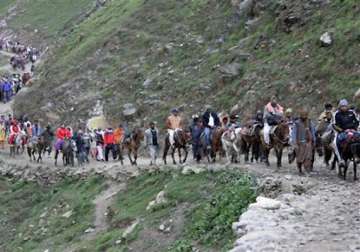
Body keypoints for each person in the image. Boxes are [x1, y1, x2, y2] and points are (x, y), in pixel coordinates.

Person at [334, 99, 360, 165]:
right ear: (339, 107)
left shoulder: (352, 112)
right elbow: (334, 125)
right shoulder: (337, 114)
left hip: (353, 131)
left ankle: (357, 156)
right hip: (342, 131)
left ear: (347, 106)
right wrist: (342, 130)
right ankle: (341, 159)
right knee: (335, 142)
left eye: (345, 106)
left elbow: (357, 121)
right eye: (342, 106)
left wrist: (355, 128)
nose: (344, 107)